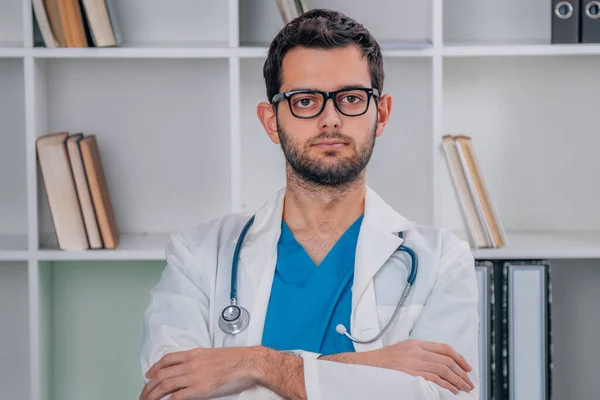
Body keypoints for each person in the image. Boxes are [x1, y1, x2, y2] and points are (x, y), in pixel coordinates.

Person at [139, 8, 479, 400]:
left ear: (380, 114)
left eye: (351, 98)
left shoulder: (442, 262)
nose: (330, 119)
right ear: (271, 121)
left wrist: (252, 364)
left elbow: (445, 397)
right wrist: (376, 367)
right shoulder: (199, 256)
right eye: (304, 101)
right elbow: (169, 392)